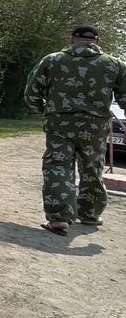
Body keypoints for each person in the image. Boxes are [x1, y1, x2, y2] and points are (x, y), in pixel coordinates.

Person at [24, 25, 126, 235]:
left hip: (60, 123)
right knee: (92, 167)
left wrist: (46, 110)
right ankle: (90, 214)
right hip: (95, 126)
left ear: (71, 39)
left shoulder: (52, 60)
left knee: (58, 166)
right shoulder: (114, 65)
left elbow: (31, 93)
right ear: (97, 40)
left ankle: (60, 219)